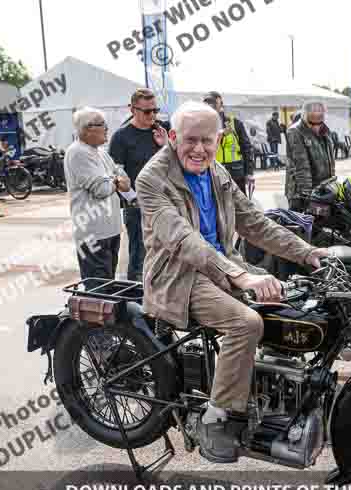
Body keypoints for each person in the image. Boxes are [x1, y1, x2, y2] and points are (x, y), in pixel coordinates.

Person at [135, 101, 330, 463]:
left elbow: (254, 223)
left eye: (207, 140)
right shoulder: (152, 178)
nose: (199, 148)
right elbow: (181, 239)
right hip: (179, 275)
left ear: (219, 139)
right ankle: (217, 417)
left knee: (298, 304)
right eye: (190, 140)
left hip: (222, 265)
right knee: (245, 323)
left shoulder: (217, 171)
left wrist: (309, 253)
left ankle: (272, 392)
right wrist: (241, 276)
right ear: (173, 137)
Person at [64, 107, 130, 288]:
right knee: (98, 289)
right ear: (86, 129)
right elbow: (101, 189)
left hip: (110, 230)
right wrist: (114, 181)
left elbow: (125, 180)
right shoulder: (78, 152)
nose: (107, 128)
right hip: (93, 234)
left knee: (108, 286)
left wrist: (113, 180)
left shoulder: (100, 152)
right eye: (102, 125)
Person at [108, 88, 167, 282]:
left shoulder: (160, 131)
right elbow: (117, 173)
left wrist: (166, 145)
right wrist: (133, 199)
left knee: (168, 253)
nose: (153, 115)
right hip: (137, 207)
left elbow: (175, 164)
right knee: (140, 255)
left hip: (164, 202)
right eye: (147, 111)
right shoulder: (121, 137)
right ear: (132, 109)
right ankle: (137, 297)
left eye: (155, 110)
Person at [284, 101, 336, 210]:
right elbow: (301, 166)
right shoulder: (295, 132)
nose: (316, 127)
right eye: (312, 123)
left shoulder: (325, 131)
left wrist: (332, 185)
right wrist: (307, 195)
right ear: (304, 116)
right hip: (301, 193)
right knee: (303, 224)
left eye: (320, 122)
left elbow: (330, 162)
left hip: (323, 188)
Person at [203, 91, 255, 196]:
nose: (210, 106)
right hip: (213, 174)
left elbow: (247, 148)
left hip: (236, 174)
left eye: (213, 103)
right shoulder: (202, 125)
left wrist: (249, 173)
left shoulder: (234, 123)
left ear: (220, 105)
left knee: (241, 208)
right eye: (207, 103)